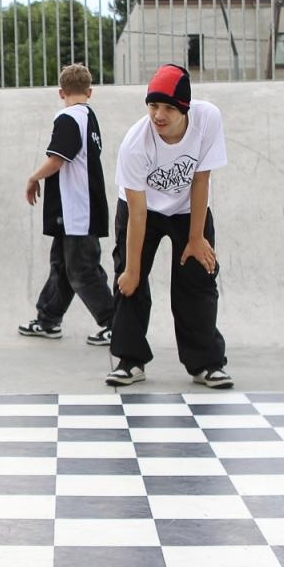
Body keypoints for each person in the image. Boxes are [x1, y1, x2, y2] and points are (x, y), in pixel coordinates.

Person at [106, 63, 232, 389]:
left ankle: (206, 363)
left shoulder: (207, 119)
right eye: (153, 106)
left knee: (199, 277)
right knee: (128, 279)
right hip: (141, 210)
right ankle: (130, 360)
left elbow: (201, 177)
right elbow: (136, 213)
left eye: (168, 108)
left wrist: (195, 238)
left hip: (189, 209)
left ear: (185, 108)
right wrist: (133, 270)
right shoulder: (136, 144)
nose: (158, 115)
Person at [18, 63, 115, 345]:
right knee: (61, 265)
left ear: (61, 92)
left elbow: (59, 158)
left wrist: (33, 178)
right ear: (90, 91)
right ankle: (48, 320)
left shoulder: (68, 118)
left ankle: (114, 323)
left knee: (83, 269)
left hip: (77, 210)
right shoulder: (89, 116)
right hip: (76, 210)